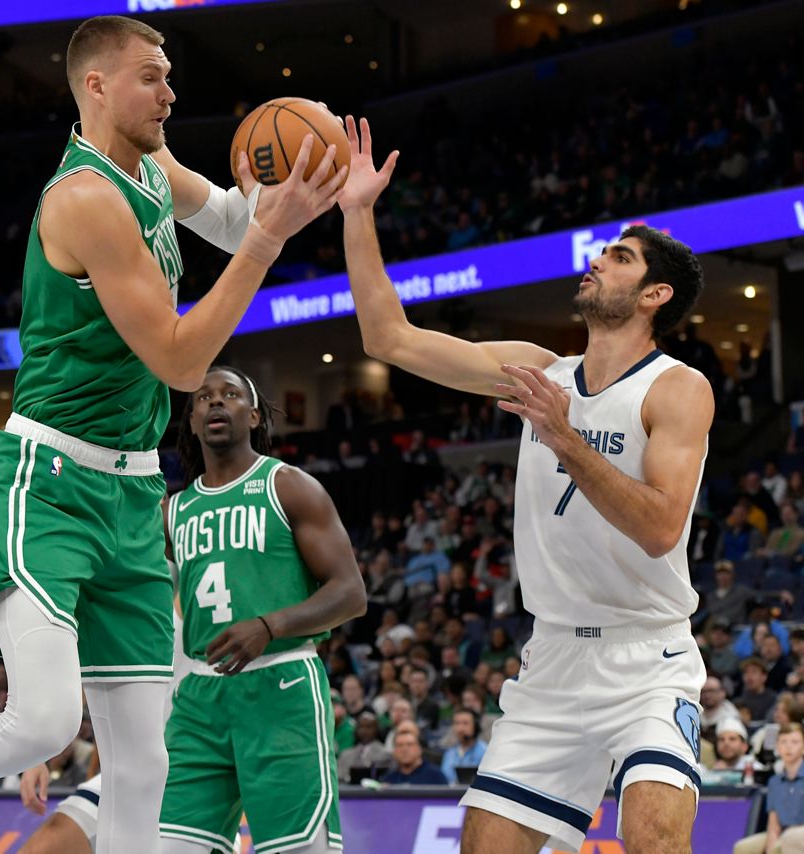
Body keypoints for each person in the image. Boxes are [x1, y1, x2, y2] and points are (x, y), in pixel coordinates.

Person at [0, 17, 347, 854]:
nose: (170, 90)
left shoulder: (151, 167)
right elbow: (183, 361)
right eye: (151, 75)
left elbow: (229, 218)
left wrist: (312, 166)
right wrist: (269, 235)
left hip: (134, 487)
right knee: (43, 721)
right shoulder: (83, 198)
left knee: (145, 761)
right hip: (46, 481)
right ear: (96, 86)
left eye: (170, 74)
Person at [338, 116, 711, 853]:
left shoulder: (677, 388)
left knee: (656, 839)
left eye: (620, 256)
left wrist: (564, 436)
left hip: (648, 656)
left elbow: (661, 526)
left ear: (655, 295)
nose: (599, 260)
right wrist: (356, 212)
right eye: (603, 251)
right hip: (553, 659)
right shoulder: (542, 371)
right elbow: (390, 338)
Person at [18, 367, 365, 853]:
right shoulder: (172, 511)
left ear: (255, 414)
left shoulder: (288, 486)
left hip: (280, 683)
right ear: (193, 421)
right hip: (199, 699)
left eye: (230, 395)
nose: (216, 403)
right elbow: (110, 607)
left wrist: (271, 625)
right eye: (204, 398)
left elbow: (351, 592)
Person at [734, 723, 804, 853]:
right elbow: (773, 825)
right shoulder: (774, 782)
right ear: (777, 746)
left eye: (795, 742)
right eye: (783, 742)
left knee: (790, 838)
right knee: (743, 847)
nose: (788, 747)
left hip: (799, 834)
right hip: (782, 833)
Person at [380, 724, 448, 785]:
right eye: (400, 745)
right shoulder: (388, 780)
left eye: (409, 745)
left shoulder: (436, 777)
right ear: (394, 752)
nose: (404, 750)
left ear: (419, 749)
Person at [441, 708, 489, 785]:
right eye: (457, 723)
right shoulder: (449, 754)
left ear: (475, 726)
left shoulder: (486, 752)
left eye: (465, 723)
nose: (460, 728)